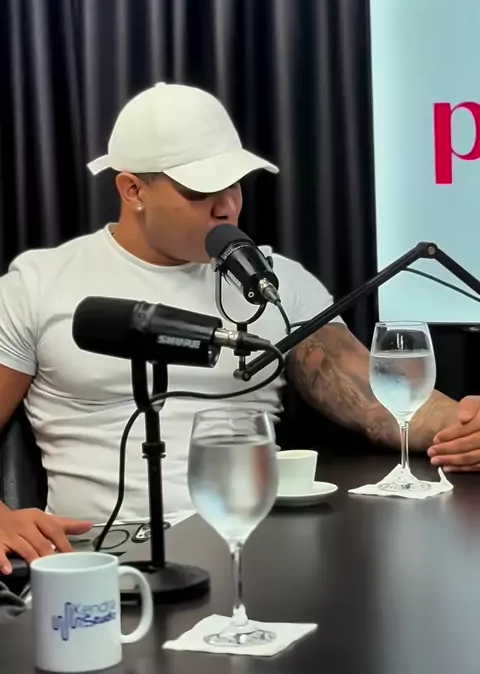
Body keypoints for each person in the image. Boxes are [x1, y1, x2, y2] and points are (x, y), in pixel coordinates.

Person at [0, 82, 479, 575]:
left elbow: (379, 397)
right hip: (99, 562)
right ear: (132, 190)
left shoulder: (277, 283)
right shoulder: (39, 284)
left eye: (234, 184)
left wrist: (465, 424)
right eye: (200, 192)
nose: (226, 206)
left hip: (254, 551)